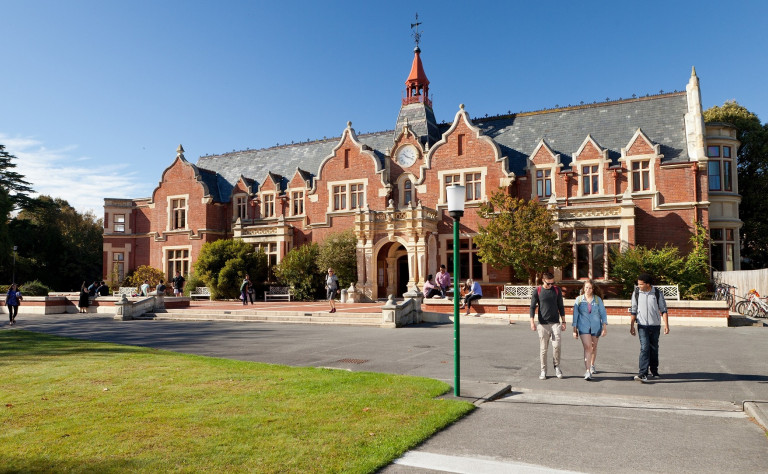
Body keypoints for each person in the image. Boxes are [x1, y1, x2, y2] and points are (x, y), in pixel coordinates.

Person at [630, 273, 669, 383]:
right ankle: (643, 373)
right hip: (642, 325)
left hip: (655, 325)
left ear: (648, 284)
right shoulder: (636, 293)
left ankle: (654, 370)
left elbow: (664, 310)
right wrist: (632, 326)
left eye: (641, 284)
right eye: (638, 284)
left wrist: (666, 325)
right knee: (644, 347)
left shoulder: (657, 293)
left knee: (654, 348)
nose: (639, 286)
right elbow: (633, 310)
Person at [530, 271, 566, 380]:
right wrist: (532, 322)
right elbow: (532, 307)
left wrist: (564, 321)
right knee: (543, 349)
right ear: (543, 280)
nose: (551, 285)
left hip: (555, 323)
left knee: (556, 346)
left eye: (552, 283)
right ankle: (543, 370)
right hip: (543, 324)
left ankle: (557, 366)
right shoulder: (538, 291)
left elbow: (561, 306)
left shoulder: (556, 290)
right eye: (548, 283)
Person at [572, 279, 607, 380]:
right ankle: (587, 371)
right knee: (587, 347)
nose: (588, 290)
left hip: (596, 327)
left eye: (590, 288)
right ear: (583, 288)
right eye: (586, 287)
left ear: (593, 289)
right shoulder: (579, 300)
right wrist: (574, 330)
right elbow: (575, 315)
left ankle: (592, 365)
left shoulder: (597, 300)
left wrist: (604, 327)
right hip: (583, 327)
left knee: (593, 347)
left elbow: (603, 313)